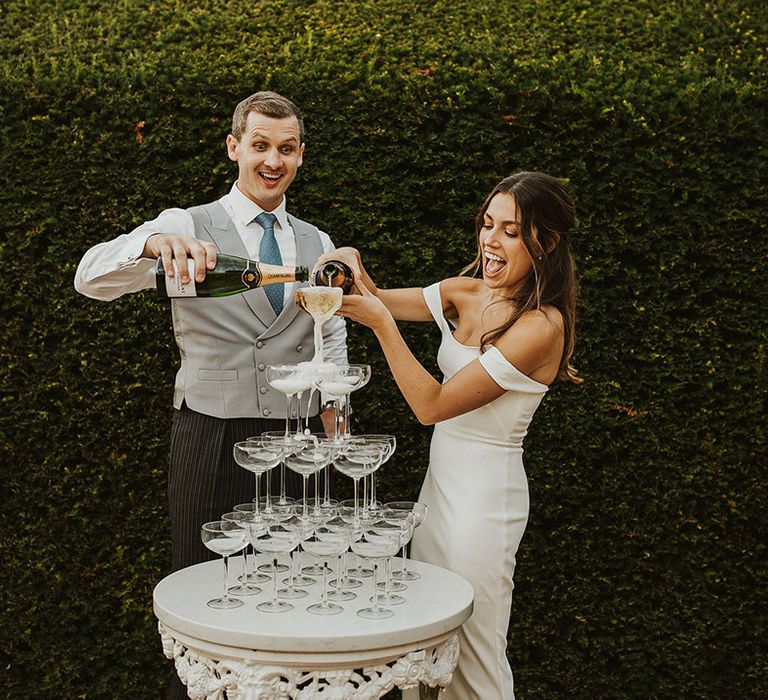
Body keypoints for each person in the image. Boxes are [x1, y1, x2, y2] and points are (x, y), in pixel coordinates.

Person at [317, 171, 579, 699]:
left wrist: (380, 326)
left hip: (486, 503)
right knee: (426, 647)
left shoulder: (541, 326)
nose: (491, 240)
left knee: (474, 653)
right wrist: (350, 268)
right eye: (488, 225)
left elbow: (431, 406)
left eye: (510, 230)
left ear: (545, 242)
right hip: (437, 494)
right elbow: (374, 298)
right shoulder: (467, 292)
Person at [75, 91, 347, 575]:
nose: (273, 160)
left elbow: (332, 330)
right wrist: (150, 245)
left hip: (300, 437)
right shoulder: (185, 225)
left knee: (297, 575)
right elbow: (89, 279)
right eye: (260, 145)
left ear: (300, 155)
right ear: (233, 147)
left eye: (286, 149)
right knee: (205, 576)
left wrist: (334, 406)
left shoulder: (318, 240)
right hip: (212, 433)